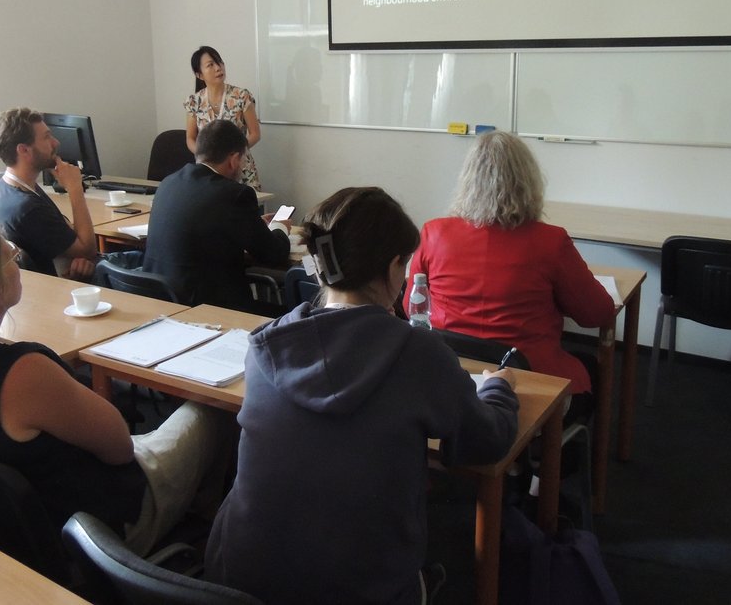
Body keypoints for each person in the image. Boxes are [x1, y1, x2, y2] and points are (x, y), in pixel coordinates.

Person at [205, 187, 520, 605]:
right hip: (364, 590)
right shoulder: (418, 354)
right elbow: (486, 440)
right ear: (394, 267)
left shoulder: (267, 345)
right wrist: (499, 387)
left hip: (237, 581)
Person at [0, 210, 230, 556]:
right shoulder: (22, 373)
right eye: (9, 254)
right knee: (213, 407)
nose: (17, 259)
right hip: (96, 531)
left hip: (6, 533)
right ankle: (200, 537)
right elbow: (120, 450)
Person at [405, 130, 614, 420]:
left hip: (452, 373)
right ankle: (549, 456)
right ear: (528, 182)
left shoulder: (434, 232)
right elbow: (597, 314)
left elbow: (411, 308)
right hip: (528, 379)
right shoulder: (550, 241)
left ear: (468, 181)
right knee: (590, 366)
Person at [141, 119, 290, 311]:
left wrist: (253, 224)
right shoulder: (235, 194)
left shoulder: (168, 183)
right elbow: (273, 254)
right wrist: (280, 227)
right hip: (210, 309)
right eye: (244, 159)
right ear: (233, 159)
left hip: (161, 303)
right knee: (291, 316)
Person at [0, 108, 97, 280]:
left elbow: (74, 245)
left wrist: (80, 257)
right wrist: (75, 188)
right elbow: (88, 250)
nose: (56, 143)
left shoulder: (2, 188)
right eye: (47, 137)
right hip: (63, 288)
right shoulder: (27, 208)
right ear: (24, 150)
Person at [184, 45, 262, 190]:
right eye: (210, 65)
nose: (218, 68)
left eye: (219, 62)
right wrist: (206, 158)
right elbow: (190, 138)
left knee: (246, 208)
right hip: (207, 172)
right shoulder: (194, 102)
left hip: (240, 167)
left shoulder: (241, 96)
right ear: (199, 74)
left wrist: (233, 154)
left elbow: (255, 134)